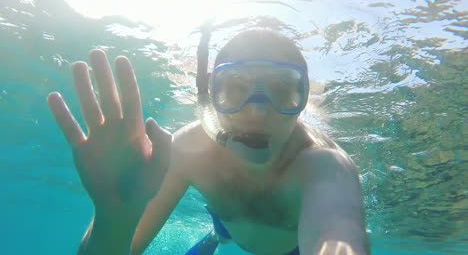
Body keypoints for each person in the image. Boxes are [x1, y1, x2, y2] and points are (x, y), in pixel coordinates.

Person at [47, 28, 369, 255]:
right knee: (223, 232)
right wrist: (113, 218)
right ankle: (218, 234)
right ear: (211, 97)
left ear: (303, 99)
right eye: (236, 87)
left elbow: (339, 236)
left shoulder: (325, 167)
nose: (257, 110)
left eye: (283, 90)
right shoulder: (188, 151)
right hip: (230, 228)